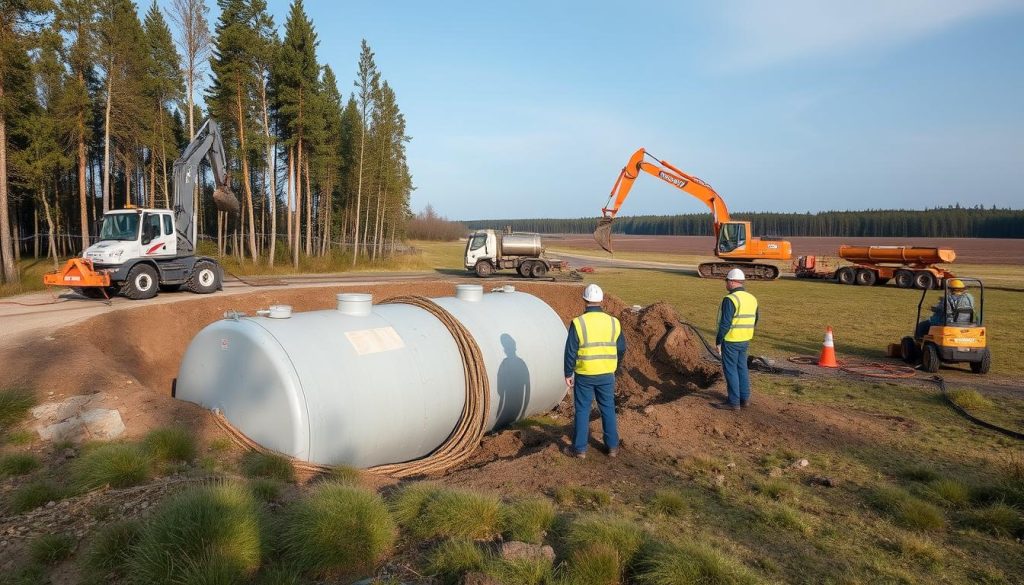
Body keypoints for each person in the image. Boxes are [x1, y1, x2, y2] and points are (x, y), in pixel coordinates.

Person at [563, 284, 626, 459]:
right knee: (608, 408)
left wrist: (568, 373)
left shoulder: (579, 323)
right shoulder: (614, 322)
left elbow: (570, 351)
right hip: (607, 374)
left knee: (583, 410)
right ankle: (613, 447)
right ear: (602, 300)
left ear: (584, 300)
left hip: (584, 374)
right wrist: (614, 366)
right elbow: (621, 348)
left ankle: (580, 449)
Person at [713, 268, 759, 411]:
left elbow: (725, 323)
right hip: (745, 339)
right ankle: (744, 399)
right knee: (742, 368)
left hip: (731, 340)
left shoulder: (730, 299)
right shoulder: (752, 298)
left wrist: (719, 341)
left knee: (730, 370)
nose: (726, 284)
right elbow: (756, 319)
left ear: (732, 282)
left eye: (726, 281)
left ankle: (733, 402)